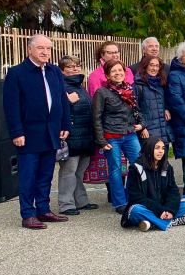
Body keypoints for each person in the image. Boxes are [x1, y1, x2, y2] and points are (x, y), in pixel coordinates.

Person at [92, 60, 145, 214]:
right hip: (111, 136)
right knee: (115, 170)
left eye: (120, 70)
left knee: (138, 165)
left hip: (130, 135)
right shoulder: (102, 93)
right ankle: (120, 203)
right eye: (113, 71)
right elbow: (96, 117)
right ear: (108, 75)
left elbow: (138, 111)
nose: (118, 73)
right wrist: (101, 140)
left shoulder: (130, 89)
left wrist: (142, 124)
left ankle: (134, 196)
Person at [120, 137, 185, 231]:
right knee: (135, 211)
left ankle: (152, 223)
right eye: (157, 148)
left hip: (163, 207)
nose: (161, 151)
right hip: (147, 207)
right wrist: (159, 211)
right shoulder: (135, 168)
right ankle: (171, 222)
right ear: (149, 148)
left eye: (163, 148)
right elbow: (136, 197)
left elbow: (173, 191)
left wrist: (169, 210)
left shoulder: (167, 167)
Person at [56, 56, 97, 216]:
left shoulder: (81, 86)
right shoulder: (60, 86)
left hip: (86, 136)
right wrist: (67, 101)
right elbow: (54, 109)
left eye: (77, 66)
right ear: (62, 70)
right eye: (70, 66)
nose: (75, 69)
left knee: (79, 172)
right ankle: (66, 204)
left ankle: (81, 201)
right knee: (68, 172)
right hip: (71, 137)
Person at [134, 56, 172, 146]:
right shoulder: (138, 85)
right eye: (151, 65)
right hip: (148, 131)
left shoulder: (162, 83)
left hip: (163, 129)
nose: (154, 68)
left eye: (157, 66)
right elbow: (134, 108)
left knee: (163, 157)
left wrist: (166, 108)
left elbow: (166, 100)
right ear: (145, 66)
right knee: (149, 158)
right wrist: (142, 127)